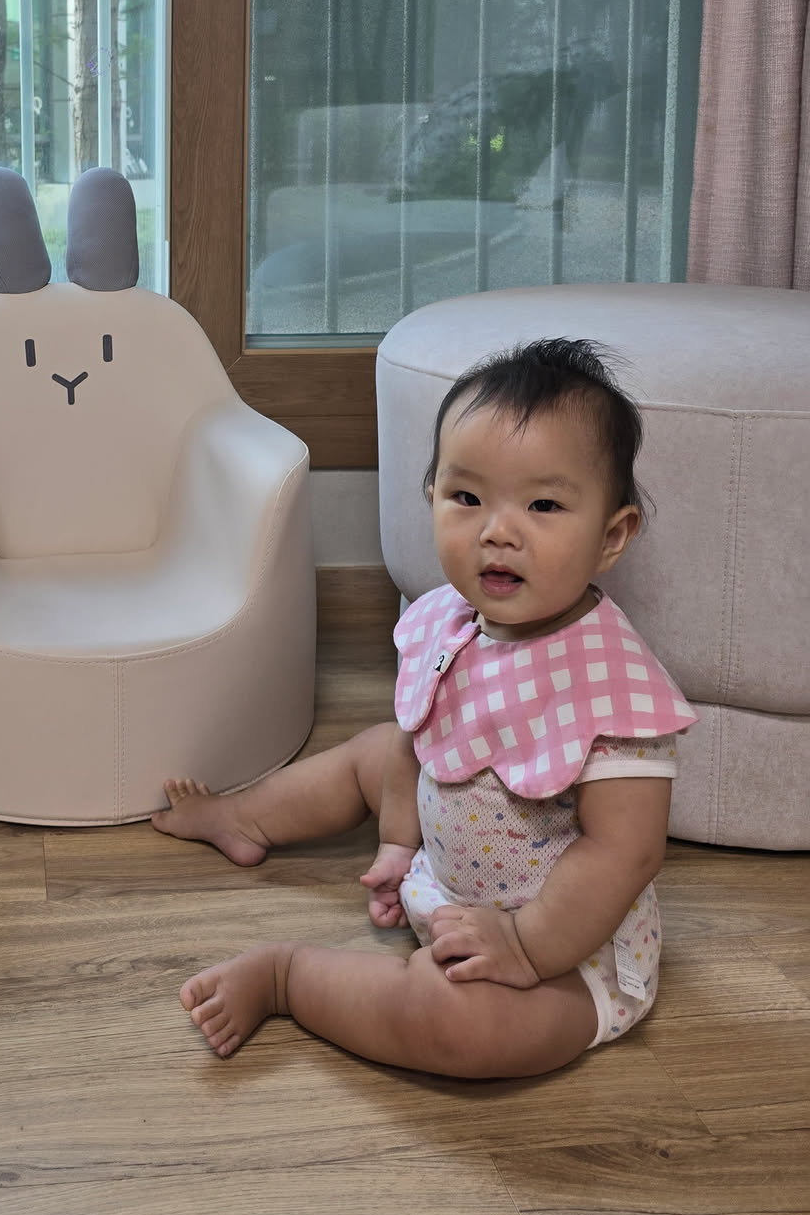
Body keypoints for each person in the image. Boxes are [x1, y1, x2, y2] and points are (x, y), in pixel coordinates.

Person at [152, 337, 696, 1079]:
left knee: (468, 1030)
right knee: (380, 746)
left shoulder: (615, 689)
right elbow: (421, 736)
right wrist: (398, 843)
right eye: (467, 498)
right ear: (432, 495)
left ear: (611, 536)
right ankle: (243, 816)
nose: (497, 531)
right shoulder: (450, 620)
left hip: (562, 955)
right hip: (445, 877)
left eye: (542, 505)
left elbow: (624, 853)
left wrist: (525, 945)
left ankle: (287, 978)